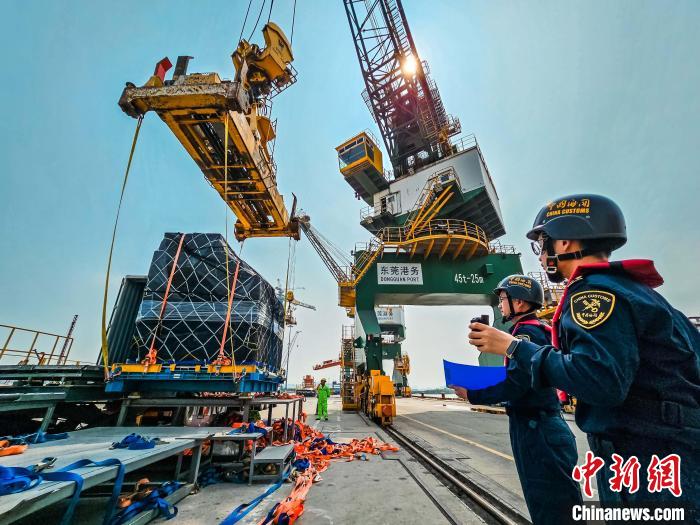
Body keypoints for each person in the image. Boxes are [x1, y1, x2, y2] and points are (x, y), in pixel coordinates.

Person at [469, 194, 700, 520]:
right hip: (670, 451)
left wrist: (513, 347)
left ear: (564, 241)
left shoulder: (593, 294)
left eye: (543, 244)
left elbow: (600, 380)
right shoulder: (635, 292)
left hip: (645, 457)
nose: (543, 255)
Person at [454, 275, 582, 524]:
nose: (499, 304)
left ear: (520, 303)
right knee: (556, 502)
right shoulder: (535, 330)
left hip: (536, 428)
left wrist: (473, 393)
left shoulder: (525, 334)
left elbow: (516, 383)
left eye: (503, 298)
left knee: (549, 506)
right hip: (539, 425)